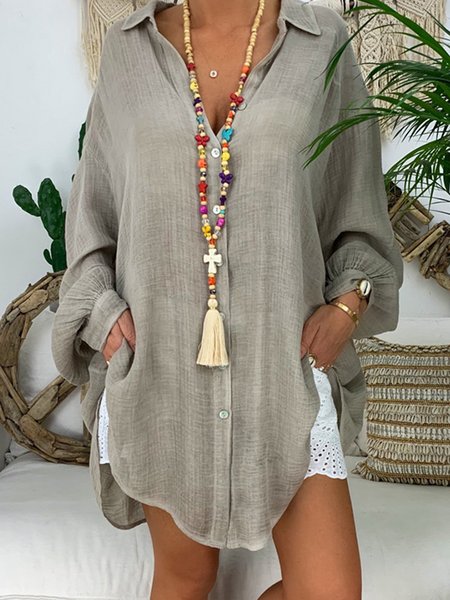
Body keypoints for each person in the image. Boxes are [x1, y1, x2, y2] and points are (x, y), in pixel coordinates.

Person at [51, 0, 404, 598]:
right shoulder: (128, 49)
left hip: (283, 371)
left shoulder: (322, 43)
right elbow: (94, 217)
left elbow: (356, 201)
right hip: (162, 376)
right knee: (187, 578)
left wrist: (348, 305)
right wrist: (104, 318)